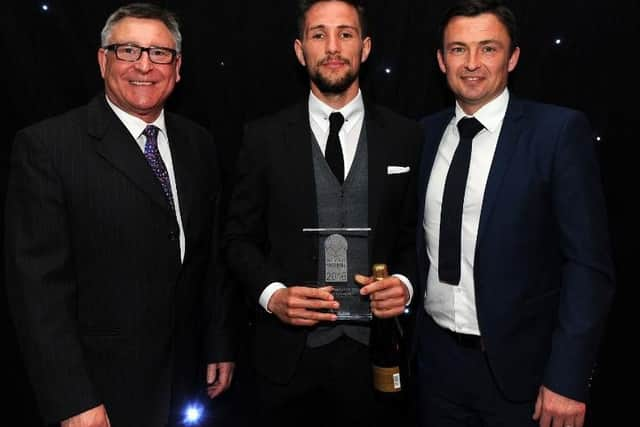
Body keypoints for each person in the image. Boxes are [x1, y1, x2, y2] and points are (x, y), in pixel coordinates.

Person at [4, 3, 235, 426]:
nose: (144, 65)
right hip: (101, 391)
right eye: (128, 50)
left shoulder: (198, 144)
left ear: (177, 67)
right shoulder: (48, 148)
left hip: (184, 381)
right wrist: (73, 400)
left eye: (159, 53)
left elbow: (208, 258)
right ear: (102, 60)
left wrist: (217, 343)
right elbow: (39, 295)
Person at [414, 1, 615, 426]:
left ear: (513, 57)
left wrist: (568, 376)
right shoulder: (423, 135)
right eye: (458, 49)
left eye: (488, 48)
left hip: (522, 373)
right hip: (433, 367)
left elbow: (588, 267)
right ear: (440, 59)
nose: (471, 63)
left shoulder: (557, 133)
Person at [223, 0, 422, 426]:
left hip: (380, 355)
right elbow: (238, 239)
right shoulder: (262, 138)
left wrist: (404, 283)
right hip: (287, 359)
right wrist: (273, 296)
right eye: (319, 35)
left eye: (345, 34)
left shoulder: (407, 136)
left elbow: (416, 234)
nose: (333, 47)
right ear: (300, 51)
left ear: (365, 48)